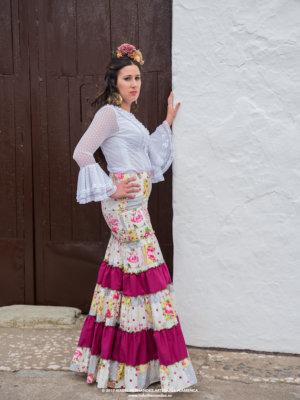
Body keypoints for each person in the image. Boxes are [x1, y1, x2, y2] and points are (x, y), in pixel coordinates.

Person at [69, 43, 197, 393]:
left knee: (125, 276)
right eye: (127, 78)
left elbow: (146, 157)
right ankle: (130, 364)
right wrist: (110, 188)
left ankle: (116, 362)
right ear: (114, 82)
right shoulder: (109, 114)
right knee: (146, 274)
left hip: (135, 206)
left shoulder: (129, 118)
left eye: (137, 77)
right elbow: (82, 151)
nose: (134, 84)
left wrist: (167, 122)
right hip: (123, 207)